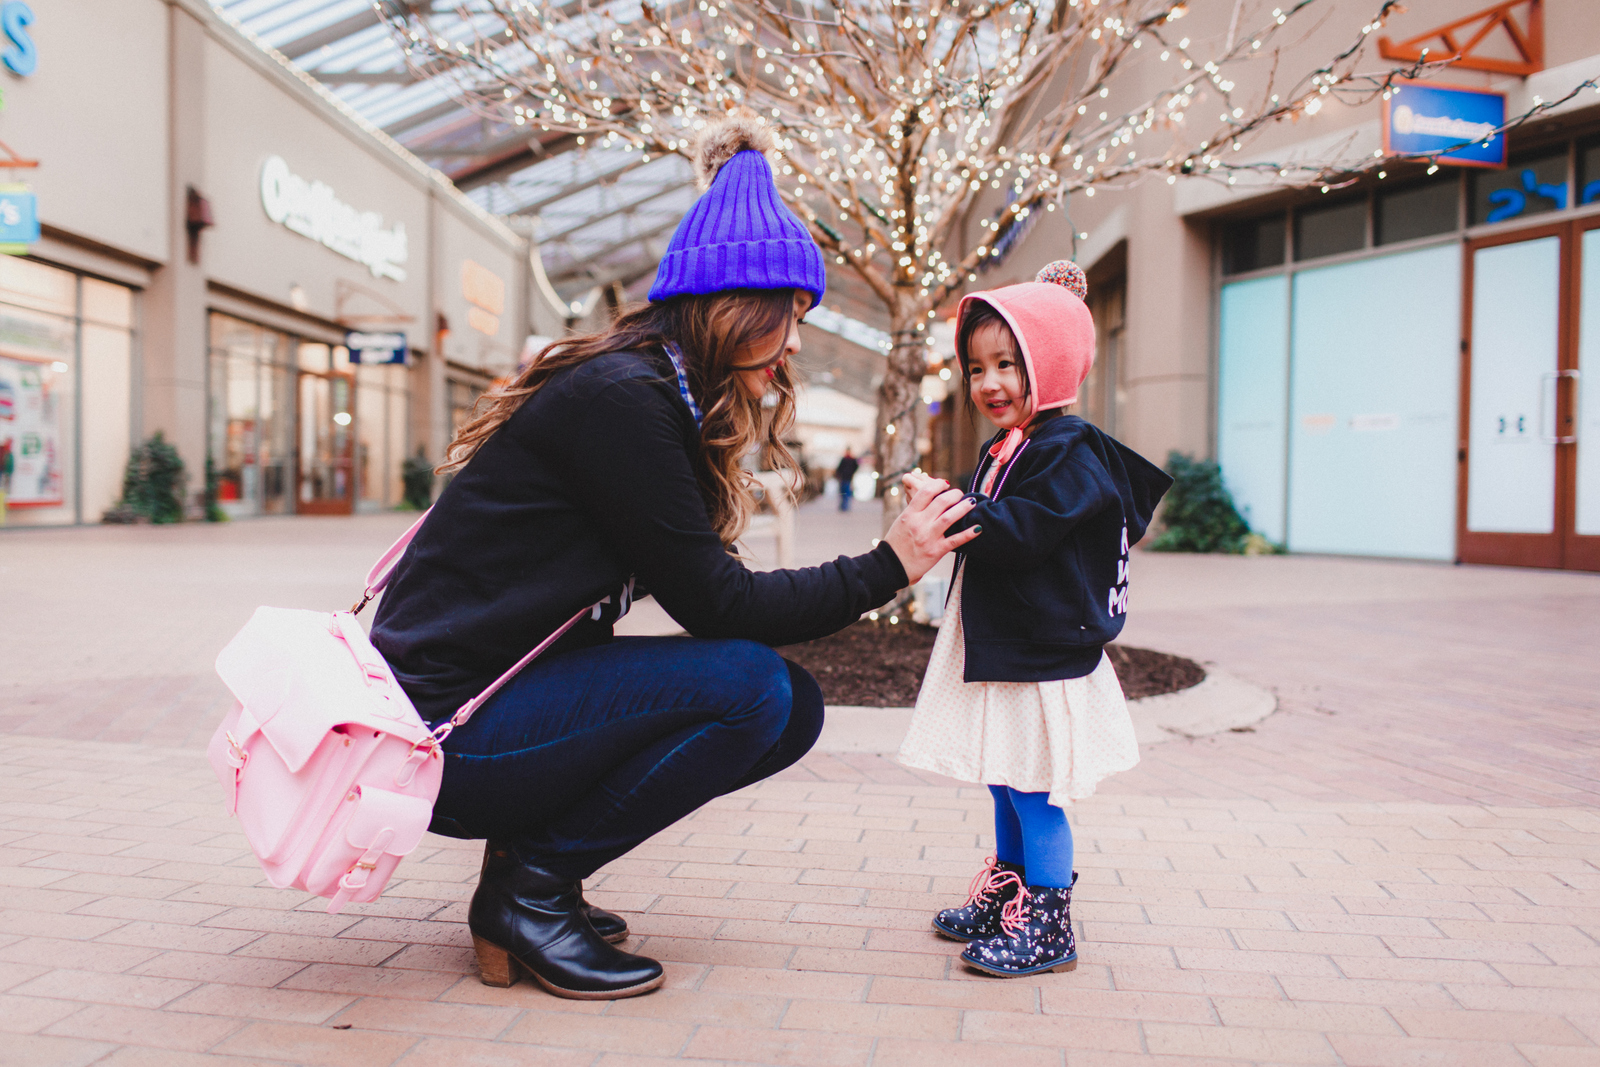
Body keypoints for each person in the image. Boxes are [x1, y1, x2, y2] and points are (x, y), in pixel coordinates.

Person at [369, 111, 979, 1002]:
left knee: (787, 705)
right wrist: (889, 563)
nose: (797, 345)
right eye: (790, 316)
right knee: (755, 689)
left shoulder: (653, 388)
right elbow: (721, 606)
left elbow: (700, 587)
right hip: (443, 735)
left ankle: (537, 873)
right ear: (738, 308)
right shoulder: (626, 398)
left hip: (481, 706)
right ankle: (529, 890)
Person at [896, 260, 1172, 978]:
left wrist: (954, 507)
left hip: (1043, 650)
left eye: (1008, 364)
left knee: (1034, 785)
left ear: (1047, 365)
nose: (989, 382)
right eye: (977, 366)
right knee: (1003, 773)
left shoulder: (1069, 452)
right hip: (1008, 642)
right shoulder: (1010, 444)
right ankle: (1011, 888)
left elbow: (1023, 531)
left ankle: (1049, 919)